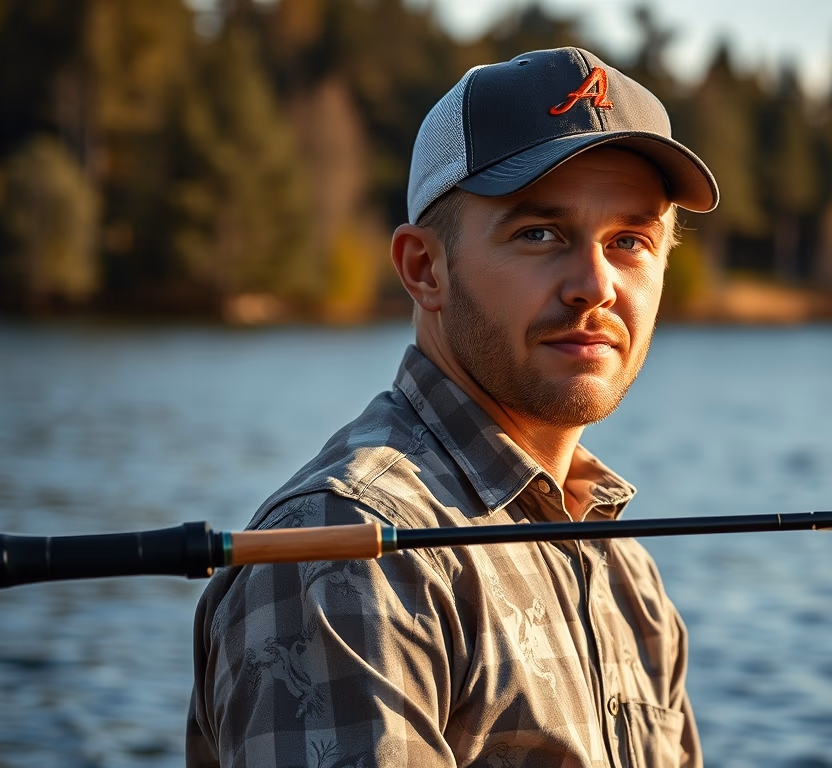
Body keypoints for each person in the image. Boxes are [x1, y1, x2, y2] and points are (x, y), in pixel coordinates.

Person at [186, 46, 719, 768]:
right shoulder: (342, 550)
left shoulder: (626, 572)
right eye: (540, 234)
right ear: (424, 268)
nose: (595, 285)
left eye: (631, 241)